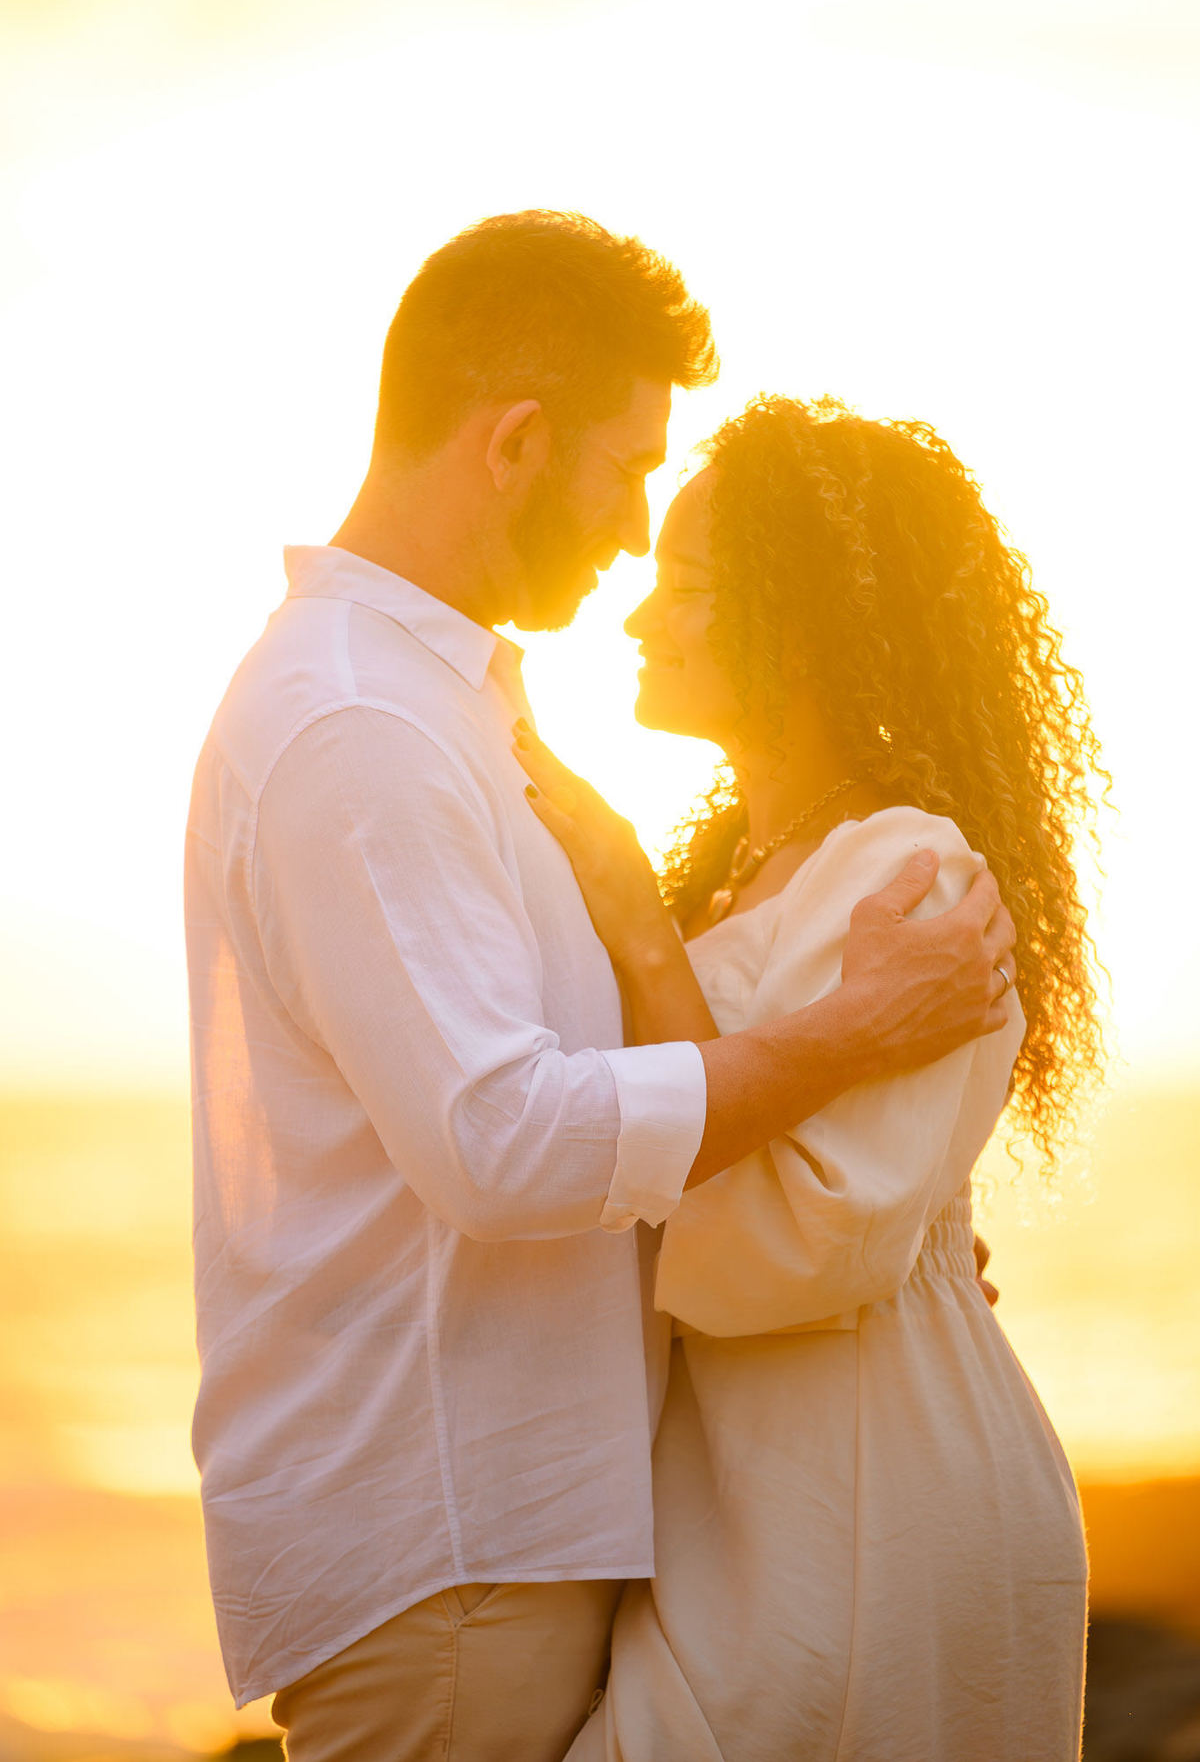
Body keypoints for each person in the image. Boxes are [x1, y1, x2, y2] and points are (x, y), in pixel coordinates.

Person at [184, 216, 1017, 1761]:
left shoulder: (444, 710)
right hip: (456, 1548)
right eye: (629, 468)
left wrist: (899, 1240)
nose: (637, 533)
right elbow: (502, 1140)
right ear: (515, 443)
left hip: (511, 1538)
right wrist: (851, 1040)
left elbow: (607, 1102)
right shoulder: (361, 726)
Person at [514, 395, 1102, 1762]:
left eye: (690, 587)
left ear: (808, 619)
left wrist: (628, 913)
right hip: (752, 1492)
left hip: (857, 1496)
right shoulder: (738, 881)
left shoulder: (912, 874)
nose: (640, 619)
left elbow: (798, 1243)